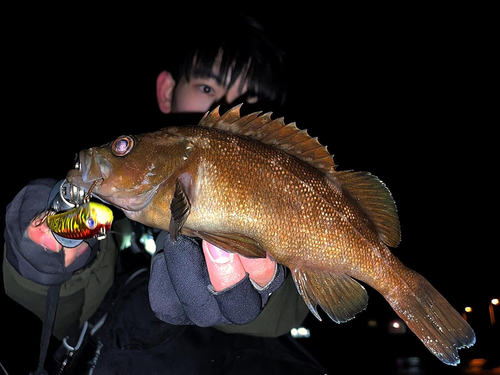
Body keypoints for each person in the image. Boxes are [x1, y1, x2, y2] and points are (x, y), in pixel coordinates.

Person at [3, 12, 327, 375]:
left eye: (248, 101)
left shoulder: (278, 183)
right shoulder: (118, 224)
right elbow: (66, 310)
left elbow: (292, 306)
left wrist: (267, 287)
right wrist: (50, 256)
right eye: (207, 89)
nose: (218, 110)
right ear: (166, 91)